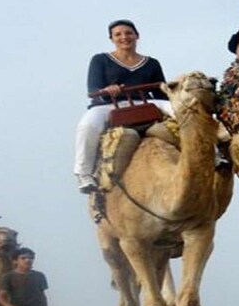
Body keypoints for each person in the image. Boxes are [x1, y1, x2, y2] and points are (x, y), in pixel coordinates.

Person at [73, 19, 170, 194]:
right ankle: (84, 173)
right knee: (87, 125)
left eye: (128, 33)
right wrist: (107, 90)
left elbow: (160, 93)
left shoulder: (151, 63)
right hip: (109, 104)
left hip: (143, 102)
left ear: (136, 36)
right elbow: (93, 88)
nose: (124, 37)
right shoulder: (100, 59)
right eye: (118, 34)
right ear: (112, 39)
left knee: (180, 110)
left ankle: (212, 152)